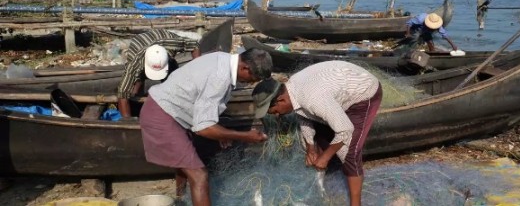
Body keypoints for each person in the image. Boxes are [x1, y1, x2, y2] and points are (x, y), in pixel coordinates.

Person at [139, 48, 273, 206]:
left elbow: (206, 112)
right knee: (199, 175)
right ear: (244, 68)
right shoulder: (220, 78)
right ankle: (183, 199)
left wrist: (222, 134)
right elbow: (204, 128)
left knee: (187, 163)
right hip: (163, 114)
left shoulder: (223, 59)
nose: (251, 83)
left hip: (173, 111)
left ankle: (182, 201)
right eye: (253, 78)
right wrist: (245, 136)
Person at [251, 60, 383, 206]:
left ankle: (356, 203)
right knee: (322, 137)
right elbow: (303, 115)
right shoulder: (292, 91)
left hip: (364, 93)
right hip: (335, 91)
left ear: (281, 100)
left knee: (349, 152)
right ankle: (328, 173)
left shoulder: (313, 99)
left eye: (274, 111)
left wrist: (325, 157)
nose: (276, 115)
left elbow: (346, 129)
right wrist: (310, 147)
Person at [117, 29, 201, 118]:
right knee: (135, 84)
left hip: (164, 41)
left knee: (173, 84)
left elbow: (195, 45)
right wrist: (127, 121)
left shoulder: (173, 45)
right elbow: (122, 93)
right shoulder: (134, 64)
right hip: (139, 44)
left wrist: (197, 71)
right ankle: (138, 105)